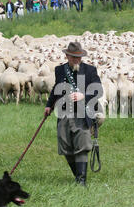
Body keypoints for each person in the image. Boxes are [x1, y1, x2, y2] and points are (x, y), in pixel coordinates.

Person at [44, 42, 103, 187]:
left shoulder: (90, 70)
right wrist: (49, 105)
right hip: (64, 112)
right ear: (67, 56)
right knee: (66, 147)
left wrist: (83, 95)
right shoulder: (60, 70)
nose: (77, 60)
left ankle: (81, 181)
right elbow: (56, 89)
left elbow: (98, 90)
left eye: (79, 57)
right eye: (74, 58)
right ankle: (78, 176)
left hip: (83, 113)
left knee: (82, 145)